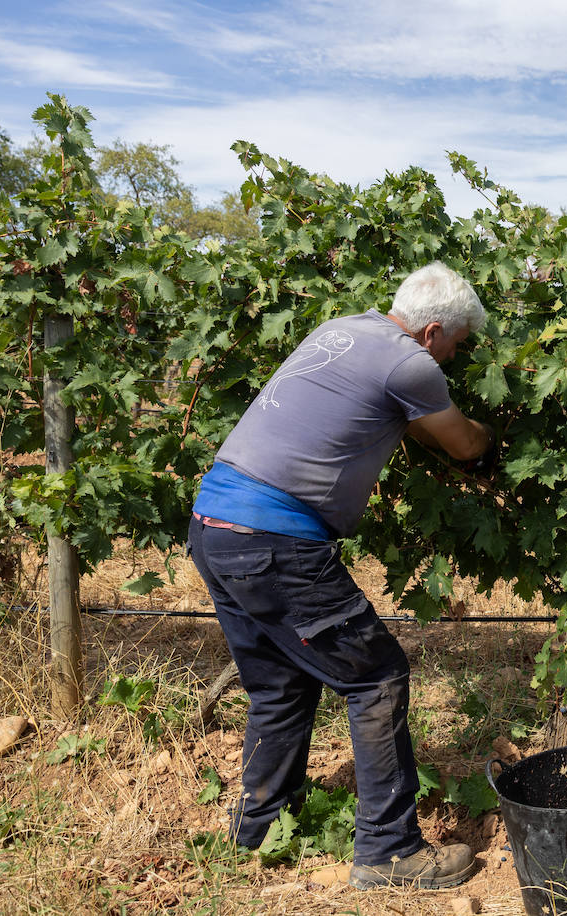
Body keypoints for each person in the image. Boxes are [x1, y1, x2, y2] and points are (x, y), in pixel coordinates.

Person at [188, 262, 494, 889]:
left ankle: (258, 830)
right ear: (432, 331)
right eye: (457, 346)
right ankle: (389, 852)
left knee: (280, 687)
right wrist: (491, 438)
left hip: (215, 523)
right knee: (376, 675)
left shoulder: (341, 329)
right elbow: (462, 444)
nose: (454, 359)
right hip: (276, 541)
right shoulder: (412, 365)